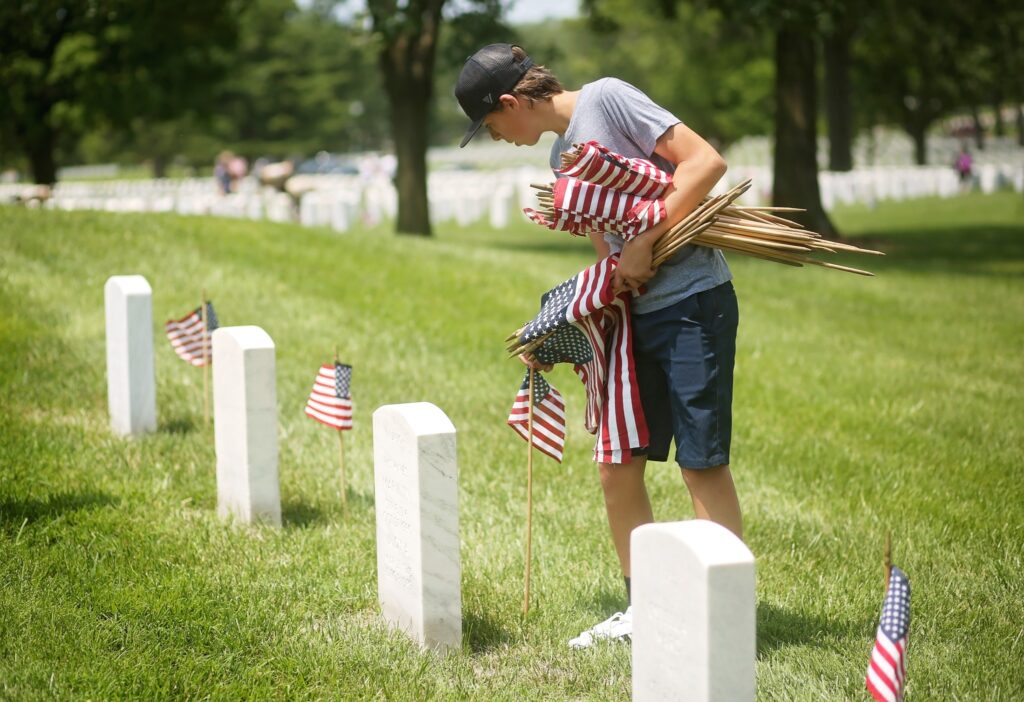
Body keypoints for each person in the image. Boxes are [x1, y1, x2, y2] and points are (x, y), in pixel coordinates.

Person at [457, 44, 744, 648]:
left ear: (510, 103)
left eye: (490, 127)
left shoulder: (608, 99)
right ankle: (648, 608)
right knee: (617, 464)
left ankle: (728, 616)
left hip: (693, 302)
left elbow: (705, 163)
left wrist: (646, 238)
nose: (497, 138)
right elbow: (607, 265)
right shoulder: (565, 159)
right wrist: (557, 331)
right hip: (638, 316)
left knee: (701, 462)